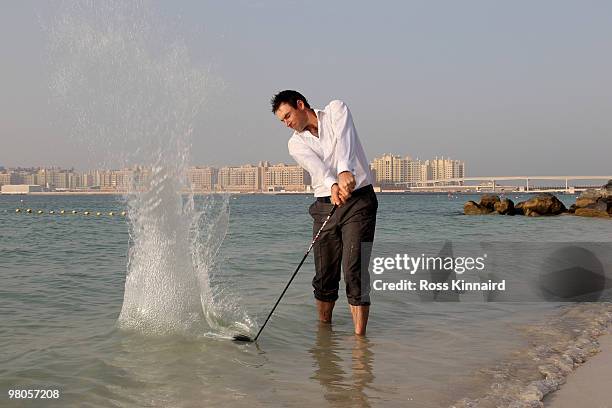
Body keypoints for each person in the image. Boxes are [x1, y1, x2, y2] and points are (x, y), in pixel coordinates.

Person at [271, 90, 378, 335]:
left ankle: (360, 345)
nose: (287, 123)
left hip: (359, 201)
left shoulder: (335, 110)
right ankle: (324, 338)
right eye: (282, 121)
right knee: (325, 275)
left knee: (354, 270)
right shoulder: (295, 143)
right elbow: (317, 169)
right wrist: (333, 186)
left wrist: (344, 171)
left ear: (300, 105)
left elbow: (345, 142)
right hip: (324, 205)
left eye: (288, 116)